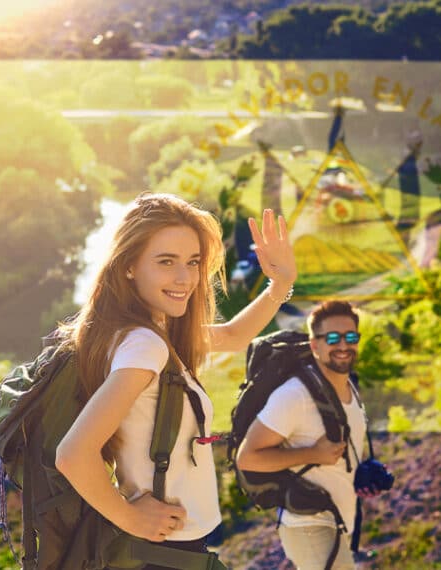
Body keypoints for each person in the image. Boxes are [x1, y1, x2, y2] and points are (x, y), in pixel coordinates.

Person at [54, 193, 297, 569]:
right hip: (164, 550)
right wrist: (129, 516)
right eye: (166, 262)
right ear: (129, 266)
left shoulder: (138, 333)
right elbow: (73, 454)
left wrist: (281, 284)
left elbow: (231, 336)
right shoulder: (144, 346)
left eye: (193, 262)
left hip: (165, 547)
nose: (185, 278)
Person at [234, 301, 373, 570]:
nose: (343, 345)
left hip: (338, 522)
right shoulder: (294, 395)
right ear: (314, 345)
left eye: (351, 337)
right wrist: (312, 454)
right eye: (332, 338)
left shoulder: (349, 388)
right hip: (309, 524)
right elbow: (247, 458)